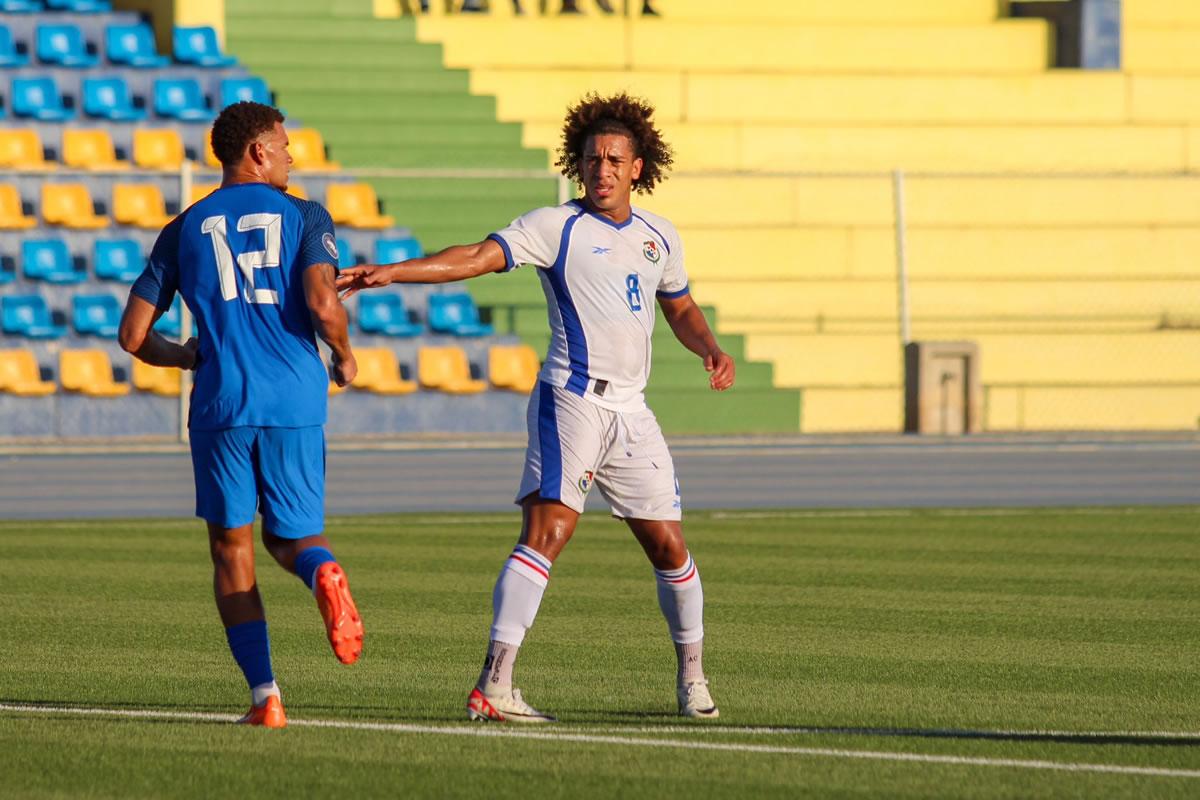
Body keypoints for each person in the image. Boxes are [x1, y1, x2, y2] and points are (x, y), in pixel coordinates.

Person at [337, 92, 735, 723]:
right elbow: (474, 258)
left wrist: (710, 347)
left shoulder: (661, 236)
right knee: (548, 532)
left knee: (670, 548)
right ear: (577, 164)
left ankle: (692, 680)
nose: (600, 169)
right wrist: (395, 271)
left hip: (633, 414)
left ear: (638, 167)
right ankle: (494, 682)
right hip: (571, 401)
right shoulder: (556, 227)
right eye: (591, 158)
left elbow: (679, 306)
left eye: (613, 159)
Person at [117, 101, 364, 729]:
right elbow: (321, 300)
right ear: (257, 151)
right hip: (294, 400)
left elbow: (133, 334)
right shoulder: (305, 214)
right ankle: (321, 571)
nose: (290, 156)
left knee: (233, 551)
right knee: (292, 537)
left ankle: (266, 699)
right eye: (283, 146)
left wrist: (184, 355)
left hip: (221, 402)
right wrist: (343, 354)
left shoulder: (185, 225)